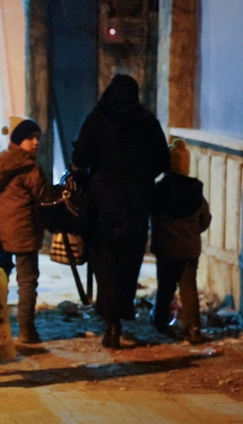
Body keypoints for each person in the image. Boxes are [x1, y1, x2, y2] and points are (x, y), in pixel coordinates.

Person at [71, 74, 170, 349]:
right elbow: (162, 160)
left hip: (103, 203)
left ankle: (110, 323)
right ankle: (121, 315)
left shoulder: (97, 118)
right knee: (128, 262)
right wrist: (141, 177)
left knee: (104, 263)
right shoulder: (147, 122)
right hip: (136, 204)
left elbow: (79, 158)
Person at [0, 116, 48, 344]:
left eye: (37, 138)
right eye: (30, 138)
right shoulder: (29, 168)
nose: (35, 142)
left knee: (1, 276)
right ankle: (27, 330)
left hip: (0, 231)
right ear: (19, 140)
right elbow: (42, 196)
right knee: (27, 281)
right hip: (24, 232)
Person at [151, 139, 211, 344]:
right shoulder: (195, 191)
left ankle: (160, 321)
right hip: (189, 248)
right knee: (189, 288)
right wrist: (191, 233)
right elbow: (205, 219)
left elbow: (152, 215)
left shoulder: (158, 190)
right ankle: (193, 328)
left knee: (165, 286)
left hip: (166, 248)